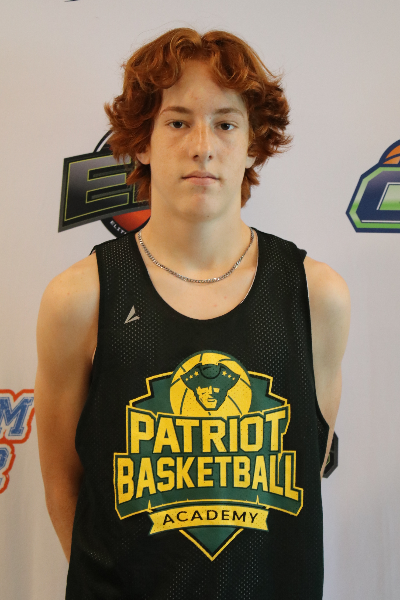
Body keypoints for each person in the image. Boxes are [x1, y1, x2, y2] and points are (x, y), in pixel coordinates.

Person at [35, 28, 351, 599]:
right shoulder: (79, 298)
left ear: (253, 143)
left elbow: (309, 465)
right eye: (178, 122)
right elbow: (63, 480)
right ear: (143, 141)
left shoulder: (316, 295)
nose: (203, 145)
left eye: (226, 124)